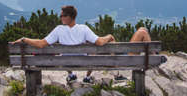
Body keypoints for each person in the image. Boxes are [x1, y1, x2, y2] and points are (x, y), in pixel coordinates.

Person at [10, 5, 152, 83]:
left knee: (65, 53)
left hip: (67, 63)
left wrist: (24, 39)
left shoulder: (58, 31)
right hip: (95, 62)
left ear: (69, 17)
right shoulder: (83, 29)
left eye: (62, 15)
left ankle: (71, 75)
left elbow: (41, 44)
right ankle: (88, 77)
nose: (60, 17)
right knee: (141, 31)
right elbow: (100, 42)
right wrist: (110, 36)